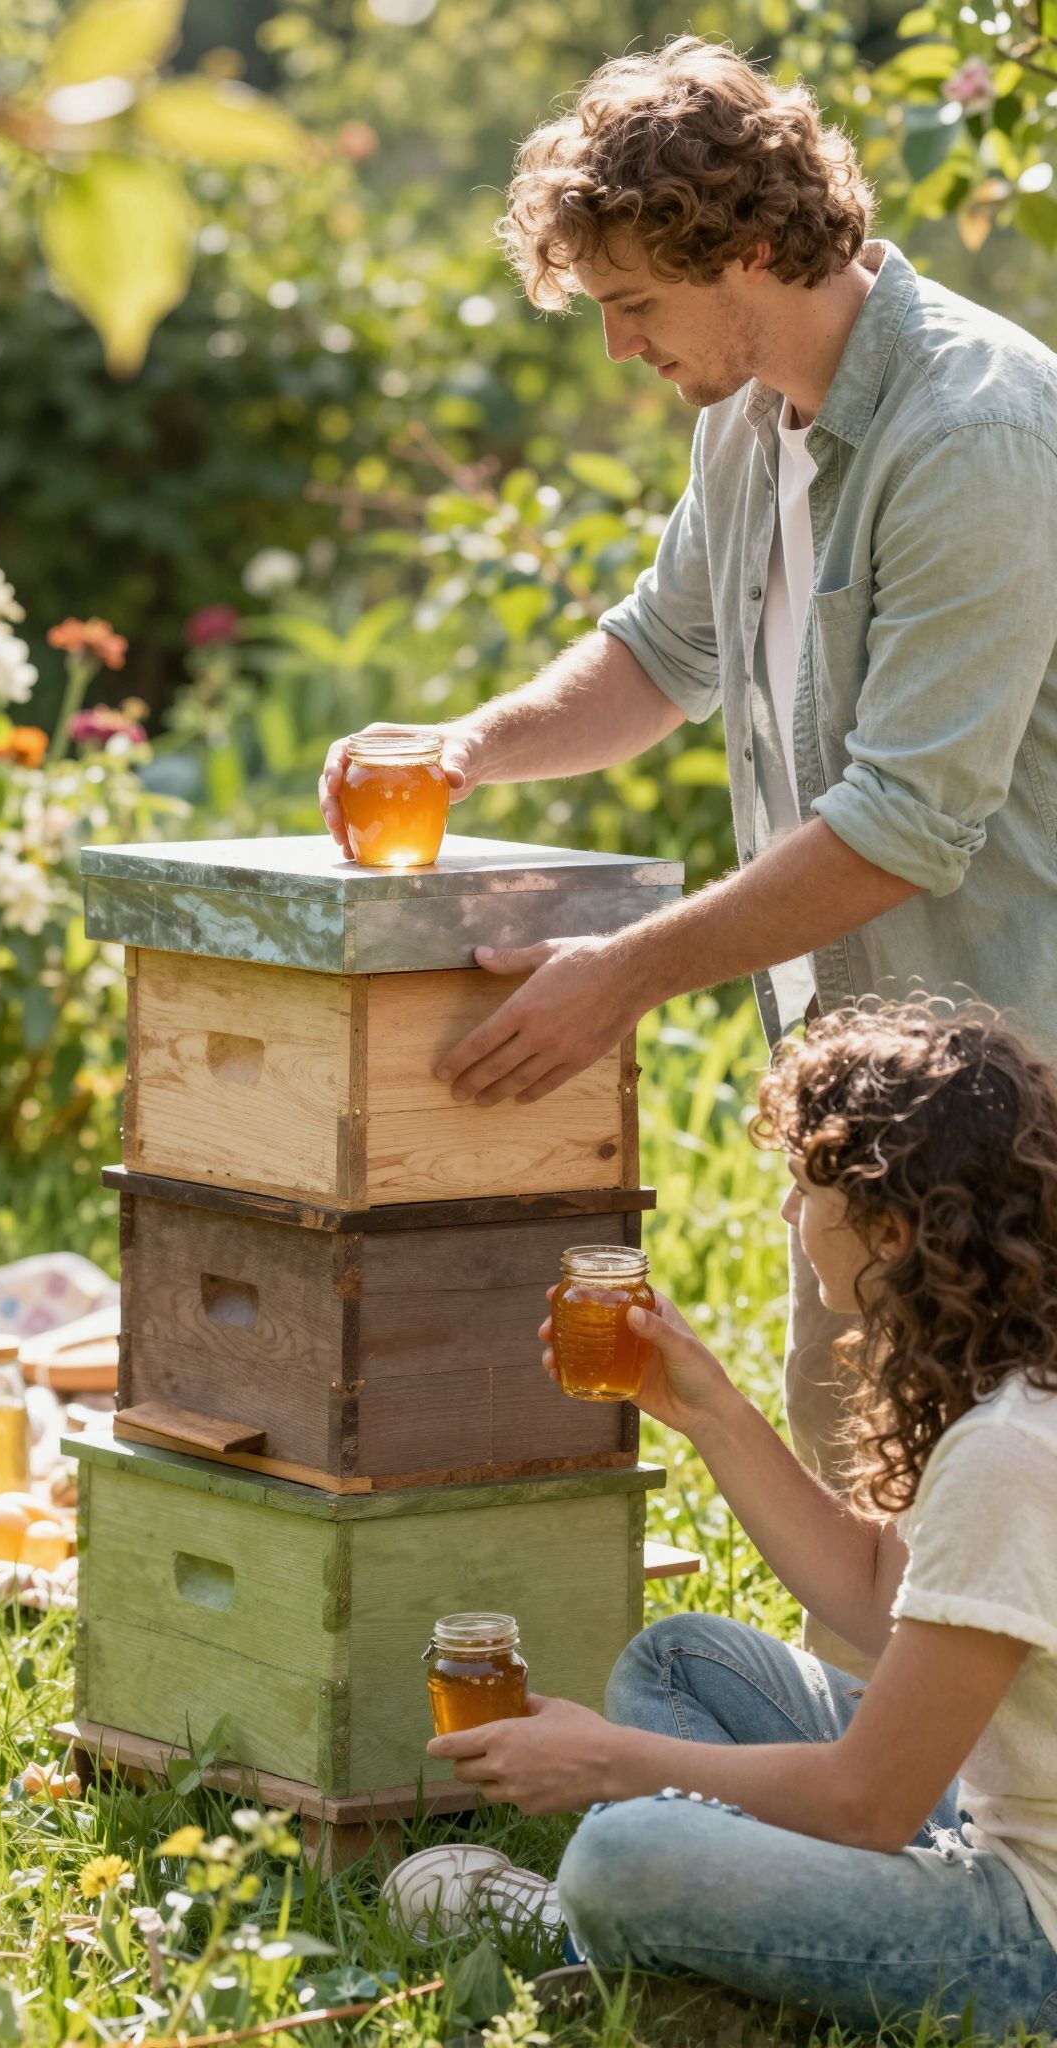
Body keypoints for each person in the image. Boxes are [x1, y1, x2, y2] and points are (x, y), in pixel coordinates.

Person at [319, 37, 1057, 1670]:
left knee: (1011, 1502)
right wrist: (466, 747)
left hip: (1024, 1079)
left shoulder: (974, 431)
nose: (618, 342)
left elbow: (902, 825)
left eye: (632, 299)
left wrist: (622, 976)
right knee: (865, 1475)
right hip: (863, 1081)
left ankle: (991, 1881)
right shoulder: (753, 421)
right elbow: (661, 650)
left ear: (744, 248)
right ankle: (886, 1854)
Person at [425, 1003, 1057, 2033]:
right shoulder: (1007, 1381)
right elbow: (869, 1590)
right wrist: (709, 1406)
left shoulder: (1008, 1451)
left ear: (891, 1233)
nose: (784, 1218)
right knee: (683, 1663)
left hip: (1031, 1938)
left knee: (620, 1854)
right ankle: (744, 1947)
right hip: (988, 1815)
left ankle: (656, 1933)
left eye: (804, 1196)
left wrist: (608, 1761)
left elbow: (869, 1803)